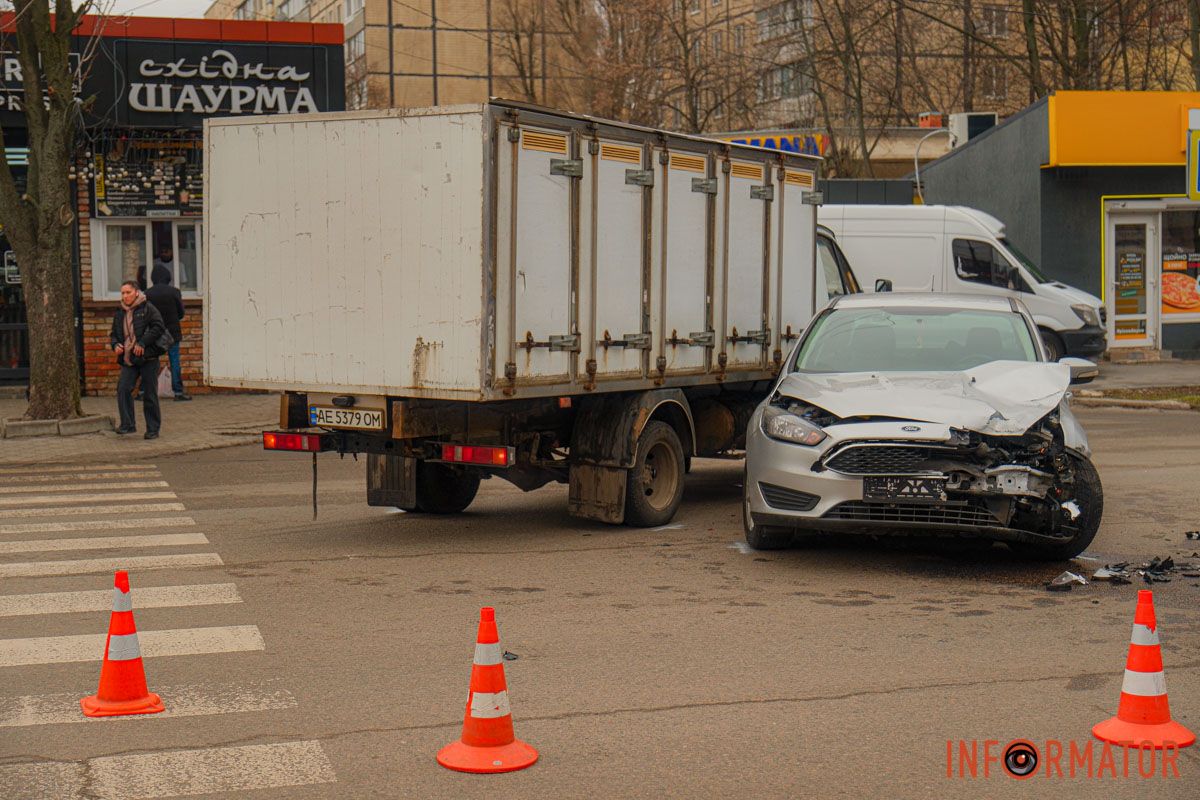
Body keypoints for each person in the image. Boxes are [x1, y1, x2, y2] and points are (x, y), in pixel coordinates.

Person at [110, 280, 166, 439]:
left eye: (128, 292)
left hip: (148, 357)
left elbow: (158, 327)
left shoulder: (147, 307)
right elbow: (114, 333)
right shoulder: (120, 311)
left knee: (149, 393)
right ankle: (128, 425)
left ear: (136, 292)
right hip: (129, 358)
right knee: (123, 389)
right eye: (122, 293)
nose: (125, 296)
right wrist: (115, 345)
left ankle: (153, 429)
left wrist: (143, 343)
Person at [145, 265, 191, 401]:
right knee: (174, 361)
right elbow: (181, 313)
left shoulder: (147, 293)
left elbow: (145, 314)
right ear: (168, 277)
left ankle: (145, 392)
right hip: (172, 332)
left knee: (151, 362)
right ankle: (178, 393)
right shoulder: (174, 292)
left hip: (154, 332)